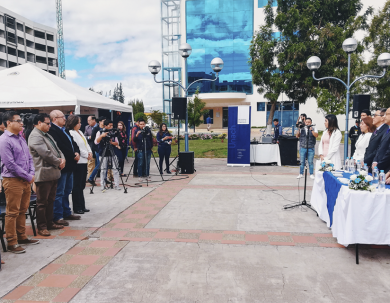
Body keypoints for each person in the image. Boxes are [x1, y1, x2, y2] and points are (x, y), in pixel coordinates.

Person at [0, 111, 39, 254]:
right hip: (13, 180)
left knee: (23, 210)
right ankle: (12, 242)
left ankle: (22, 236)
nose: (21, 123)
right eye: (18, 120)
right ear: (9, 123)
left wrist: (31, 173)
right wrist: (28, 176)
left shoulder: (20, 138)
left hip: (25, 179)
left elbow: (29, 158)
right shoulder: (4, 140)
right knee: (12, 212)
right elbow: (10, 164)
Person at [28, 113, 66, 237]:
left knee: (51, 200)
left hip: (53, 172)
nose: (50, 125)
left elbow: (57, 149)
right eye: (47, 123)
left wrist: (62, 159)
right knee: (42, 202)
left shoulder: (47, 135)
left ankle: (50, 223)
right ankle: (42, 226)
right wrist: (58, 162)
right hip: (43, 173)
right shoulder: (35, 136)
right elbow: (46, 154)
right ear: (39, 123)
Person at [48, 110, 81, 226]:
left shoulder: (64, 130)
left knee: (67, 190)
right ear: (55, 119)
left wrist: (77, 152)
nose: (65, 119)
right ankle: (58, 216)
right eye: (62, 117)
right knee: (59, 192)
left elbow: (73, 143)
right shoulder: (52, 130)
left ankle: (67, 212)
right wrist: (73, 155)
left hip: (70, 164)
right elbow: (60, 146)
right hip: (63, 165)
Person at [67, 115, 92, 214]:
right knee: (76, 185)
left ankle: (82, 204)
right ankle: (77, 206)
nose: (80, 124)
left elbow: (86, 144)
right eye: (78, 123)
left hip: (85, 160)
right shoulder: (71, 133)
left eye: (80, 122)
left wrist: (90, 153)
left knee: (82, 184)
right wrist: (86, 154)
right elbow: (77, 147)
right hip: (79, 160)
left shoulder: (80, 132)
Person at [95, 119, 121, 190]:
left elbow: (117, 143)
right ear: (105, 126)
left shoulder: (113, 132)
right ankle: (103, 185)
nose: (111, 127)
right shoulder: (100, 132)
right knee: (103, 170)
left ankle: (116, 185)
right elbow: (96, 142)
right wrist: (102, 136)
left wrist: (112, 143)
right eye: (110, 126)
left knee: (115, 169)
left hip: (112, 152)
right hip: (103, 152)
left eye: (112, 125)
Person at [87, 116, 106, 186]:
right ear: (100, 122)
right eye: (104, 121)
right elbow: (92, 138)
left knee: (104, 164)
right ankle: (91, 178)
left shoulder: (105, 128)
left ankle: (105, 179)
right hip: (97, 148)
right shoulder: (96, 129)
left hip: (104, 148)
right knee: (99, 164)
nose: (105, 122)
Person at [372, 108, 390, 173]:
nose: (384, 116)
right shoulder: (387, 131)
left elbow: (388, 152)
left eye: (387, 114)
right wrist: (375, 161)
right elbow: (380, 147)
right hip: (379, 167)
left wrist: (379, 165)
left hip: (385, 168)